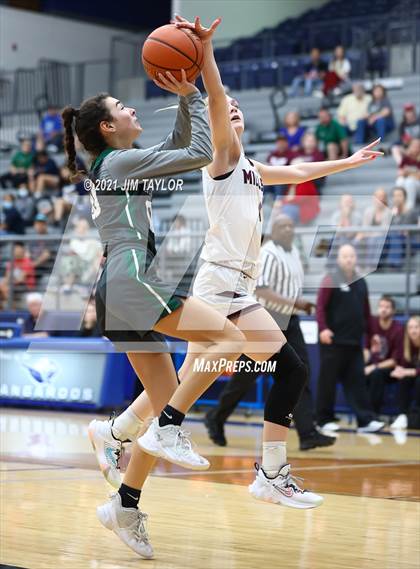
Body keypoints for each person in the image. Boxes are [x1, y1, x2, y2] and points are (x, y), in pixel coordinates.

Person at [109, 13, 382, 515]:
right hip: (219, 287)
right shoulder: (221, 158)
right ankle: (127, 456)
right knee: (193, 393)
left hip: (239, 291)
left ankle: (132, 480)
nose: (230, 110)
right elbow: (214, 99)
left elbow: (300, 168)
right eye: (224, 108)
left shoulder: (252, 168)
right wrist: (207, 54)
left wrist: (349, 161)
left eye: (236, 109)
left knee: (230, 380)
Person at [63, 24, 246, 558]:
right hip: (134, 279)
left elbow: (176, 147)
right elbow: (197, 152)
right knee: (228, 343)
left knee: (166, 400)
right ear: (108, 125)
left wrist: (190, 92)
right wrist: (190, 91)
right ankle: (149, 430)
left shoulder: (116, 163)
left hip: (117, 286)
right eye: (124, 106)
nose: (132, 109)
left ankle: (122, 497)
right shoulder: (118, 163)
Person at [205, 215, 336, 451]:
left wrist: (295, 306)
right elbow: (263, 292)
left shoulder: (294, 253)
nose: (287, 229)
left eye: (290, 225)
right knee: (245, 377)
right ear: (273, 231)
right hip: (266, 319)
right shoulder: (267, 253)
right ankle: (216, 416)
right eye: (282, 226)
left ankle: (307, 433)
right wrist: (295, 302)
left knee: (300, 372)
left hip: (290, 321)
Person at [315, 244, 385, 433]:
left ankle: (365, 421)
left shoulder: (361, 282)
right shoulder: (330, 279)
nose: (349, 259)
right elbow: (320, 307)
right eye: (345, 256)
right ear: (339, 259)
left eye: (352, 256)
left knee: (357, 383)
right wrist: (323, 329)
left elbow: (367, 313)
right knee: (327, 382)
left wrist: (372, 337)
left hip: (354, 343)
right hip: (333, 342)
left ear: (356, 259)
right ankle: (323, 420)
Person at [364, 295, 403, 413]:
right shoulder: (371, 323)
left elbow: (394, 361)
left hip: (389, 369)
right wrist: (361, 364)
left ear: (393, 311)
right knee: (355, 373)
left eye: (387, 307)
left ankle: (372, 414)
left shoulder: (398, 329)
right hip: (371, 367)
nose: (383, 309)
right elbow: (366, 349)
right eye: (381, 306)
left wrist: (373, 367)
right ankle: (361, 413)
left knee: (376, 374)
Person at [390, 316, 420, 429]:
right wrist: (399, 370)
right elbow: (402, 362)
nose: (413, 330)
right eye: (410, 327)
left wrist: (410, 371)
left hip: (417, 375)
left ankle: (416, 415)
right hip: (412, 374)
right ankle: (402, 415)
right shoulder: (405, 343)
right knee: (403, 379)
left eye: (417, 327)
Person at [394, 138, 420, 212]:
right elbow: (399, 173)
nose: (415, 148)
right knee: (400, 180)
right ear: (410, 146)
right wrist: (412, 173)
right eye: (413, 146)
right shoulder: (406, 158)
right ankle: (398, 205)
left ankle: (409, 206)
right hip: (408, 183)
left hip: (417, 185)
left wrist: (408, 172)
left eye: (417, 146)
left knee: (410, 181)